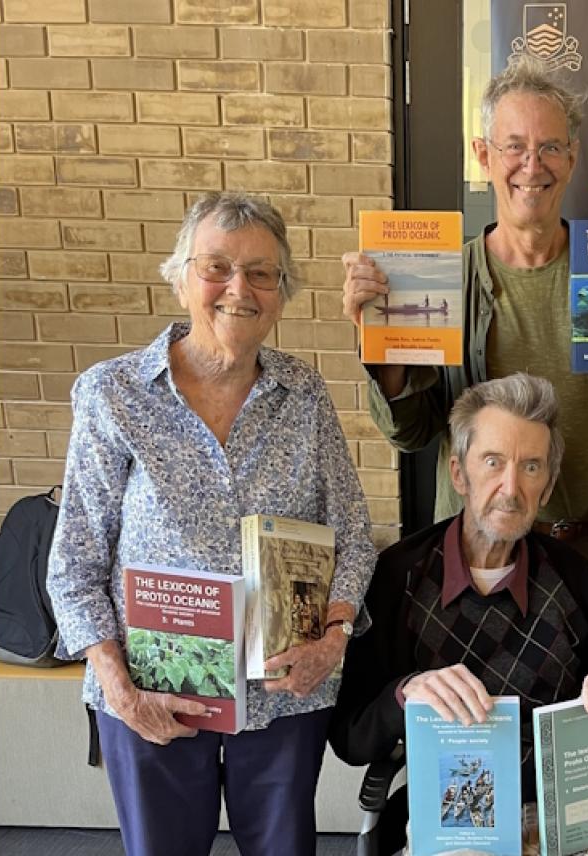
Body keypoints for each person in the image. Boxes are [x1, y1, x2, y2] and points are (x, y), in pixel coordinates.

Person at [46, 191, 378, 856]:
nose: (239, 289)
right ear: (179, 277)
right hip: (153, 693)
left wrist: (333, 639)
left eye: (262, 273)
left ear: (281, 293)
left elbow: (353, 535)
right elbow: (74, 563)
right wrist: (120, 689)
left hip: (284, 694)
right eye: (217, 268)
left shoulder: (303, 395)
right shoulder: (114, 396)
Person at [340, 56, 588, 630]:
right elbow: (411, 432)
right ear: (483, 156)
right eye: (514, 147)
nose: (533, 165)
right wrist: (384, 348)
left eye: (551, 147)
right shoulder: (441, 277)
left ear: (573, 158)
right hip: (481, 560)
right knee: (480, 716)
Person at [329, 373, 588, 856]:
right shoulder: (400, 577)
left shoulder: (573, 577)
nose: (510, 487)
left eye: (531, 467)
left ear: (547, 485)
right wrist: (405, 693)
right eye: (493, 462)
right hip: (458, 811)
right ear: (459, 473)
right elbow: (351, 739)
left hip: (565, 812)